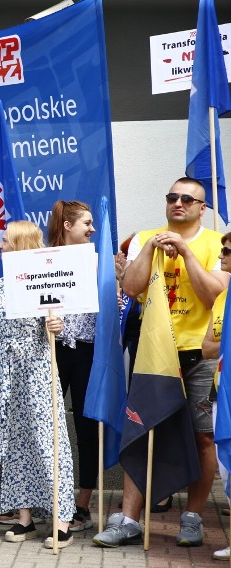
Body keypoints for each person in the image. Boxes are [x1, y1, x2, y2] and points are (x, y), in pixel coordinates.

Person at [94, 177, 229, 548]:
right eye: (172, 197)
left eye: (188, 199)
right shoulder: (146, 237)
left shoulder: (217, 242)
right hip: (154, 352)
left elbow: (212, 295)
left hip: (198, 353)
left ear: (203, 208)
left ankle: (193, 517)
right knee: (143, 429)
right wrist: (151, 248)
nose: (178, 203)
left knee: (204, 437)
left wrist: (185, 253)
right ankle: (130, 520)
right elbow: (132, 288)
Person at [0, 220, 75, 549]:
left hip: (37, 370)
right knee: (14, 444)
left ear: (21, 244)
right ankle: (24, 518)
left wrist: (56, 324)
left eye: (5, 241)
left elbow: (64, 332)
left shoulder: (46, 279)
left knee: (48, 442)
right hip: (3, 373)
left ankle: (62, 520)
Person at [46, 200, 97, 532]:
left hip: (88, 352)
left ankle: (82, 505)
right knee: (48, 426)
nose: (92, 229)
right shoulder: (44, 259)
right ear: (67, 226)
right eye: (86, 224)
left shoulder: (96, 260)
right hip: (52, 350)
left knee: (86, 426)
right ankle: (49, 500)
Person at [201, 230, 231, 560]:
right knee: (228, 469)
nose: (221, 254)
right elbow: (207, 345)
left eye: (227, 250)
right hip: (222, 392)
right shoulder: (223, 297)